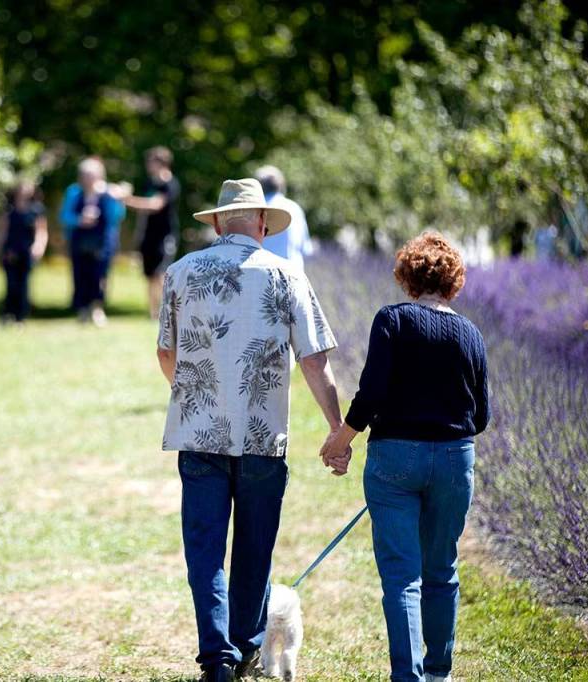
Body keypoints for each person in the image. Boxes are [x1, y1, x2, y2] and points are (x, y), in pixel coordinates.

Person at [156, 178, 348, 682]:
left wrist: (196, 392)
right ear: (262, 224)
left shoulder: (179, 273)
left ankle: (216, 656)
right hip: (263, 435)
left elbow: (165, 352)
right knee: (254, 548)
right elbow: (314, 360)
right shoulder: (287, 276)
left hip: (198, 433)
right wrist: (337, 428)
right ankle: (242, 646)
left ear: (219, 223)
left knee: (204, 548)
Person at [321, 231, 491, 682]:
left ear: (408, 277)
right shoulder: (472, 335)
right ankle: (439, 672)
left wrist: (342, 439)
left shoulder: (392, 320)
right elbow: (482, 416)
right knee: (442, 569)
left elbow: (372, 392)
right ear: (453, 281)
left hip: (394, 459)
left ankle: (409, 677)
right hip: (455, 460)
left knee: (402, 577)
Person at [59, 157, 125, 326]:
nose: (88, 179)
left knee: (100, 276)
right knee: (80, 275)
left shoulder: (109, 193)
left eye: (91, 175)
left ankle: (97, 309)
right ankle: (82, 310)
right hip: (79, 241)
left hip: (103, 242)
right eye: (85, 175)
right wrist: (80, 220)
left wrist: (116, 198)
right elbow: (64, 216)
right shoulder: (73, 192)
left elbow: (118, 216)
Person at [123, 146, 181, 319]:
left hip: (164, 236)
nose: (148, 166)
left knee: (161, 274)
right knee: (149, 275)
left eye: (151, 162)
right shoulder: (150, 183)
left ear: (162, 163)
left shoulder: (170, 184)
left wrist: (126, 199)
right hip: (148, 235)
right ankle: (153, 313)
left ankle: (166, 312)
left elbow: (155, 204)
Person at [0, 181, 48, 323]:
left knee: (24, 284)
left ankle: (20, 316)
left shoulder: (36, 209)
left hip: (26, 252)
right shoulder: (8, 209)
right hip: (10, 252)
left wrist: (38, 246)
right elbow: (1, 233)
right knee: (11, 284)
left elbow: (41, 231)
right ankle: (7, 314)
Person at [254, 165, 313, 270]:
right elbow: (306, 249)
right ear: (281, 185)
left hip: (264, 274)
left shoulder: (256, 210)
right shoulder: (294, 208)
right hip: (295, 274)